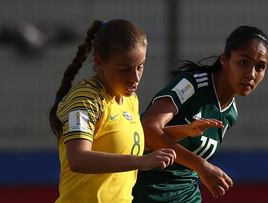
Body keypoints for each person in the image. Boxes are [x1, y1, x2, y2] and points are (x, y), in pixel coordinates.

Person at [132, 25, 268, 202]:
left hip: (186, 195)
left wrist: (199, 168)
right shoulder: (191, 84)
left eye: (260, 67)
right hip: (146, 192)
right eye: (243, 62)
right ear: (224, 60)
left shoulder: (231, 113)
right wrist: (201, 166)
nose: (251, 74)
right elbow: (147, 130)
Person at [49, 19, 179, 203]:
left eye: (140, 66)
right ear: (99, 63)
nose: (135, 78)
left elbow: (124, 141)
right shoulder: (85, 100)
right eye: (124, 69)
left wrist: (184, 131)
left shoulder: (129, 99)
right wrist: (143, 161)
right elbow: (78, 159)